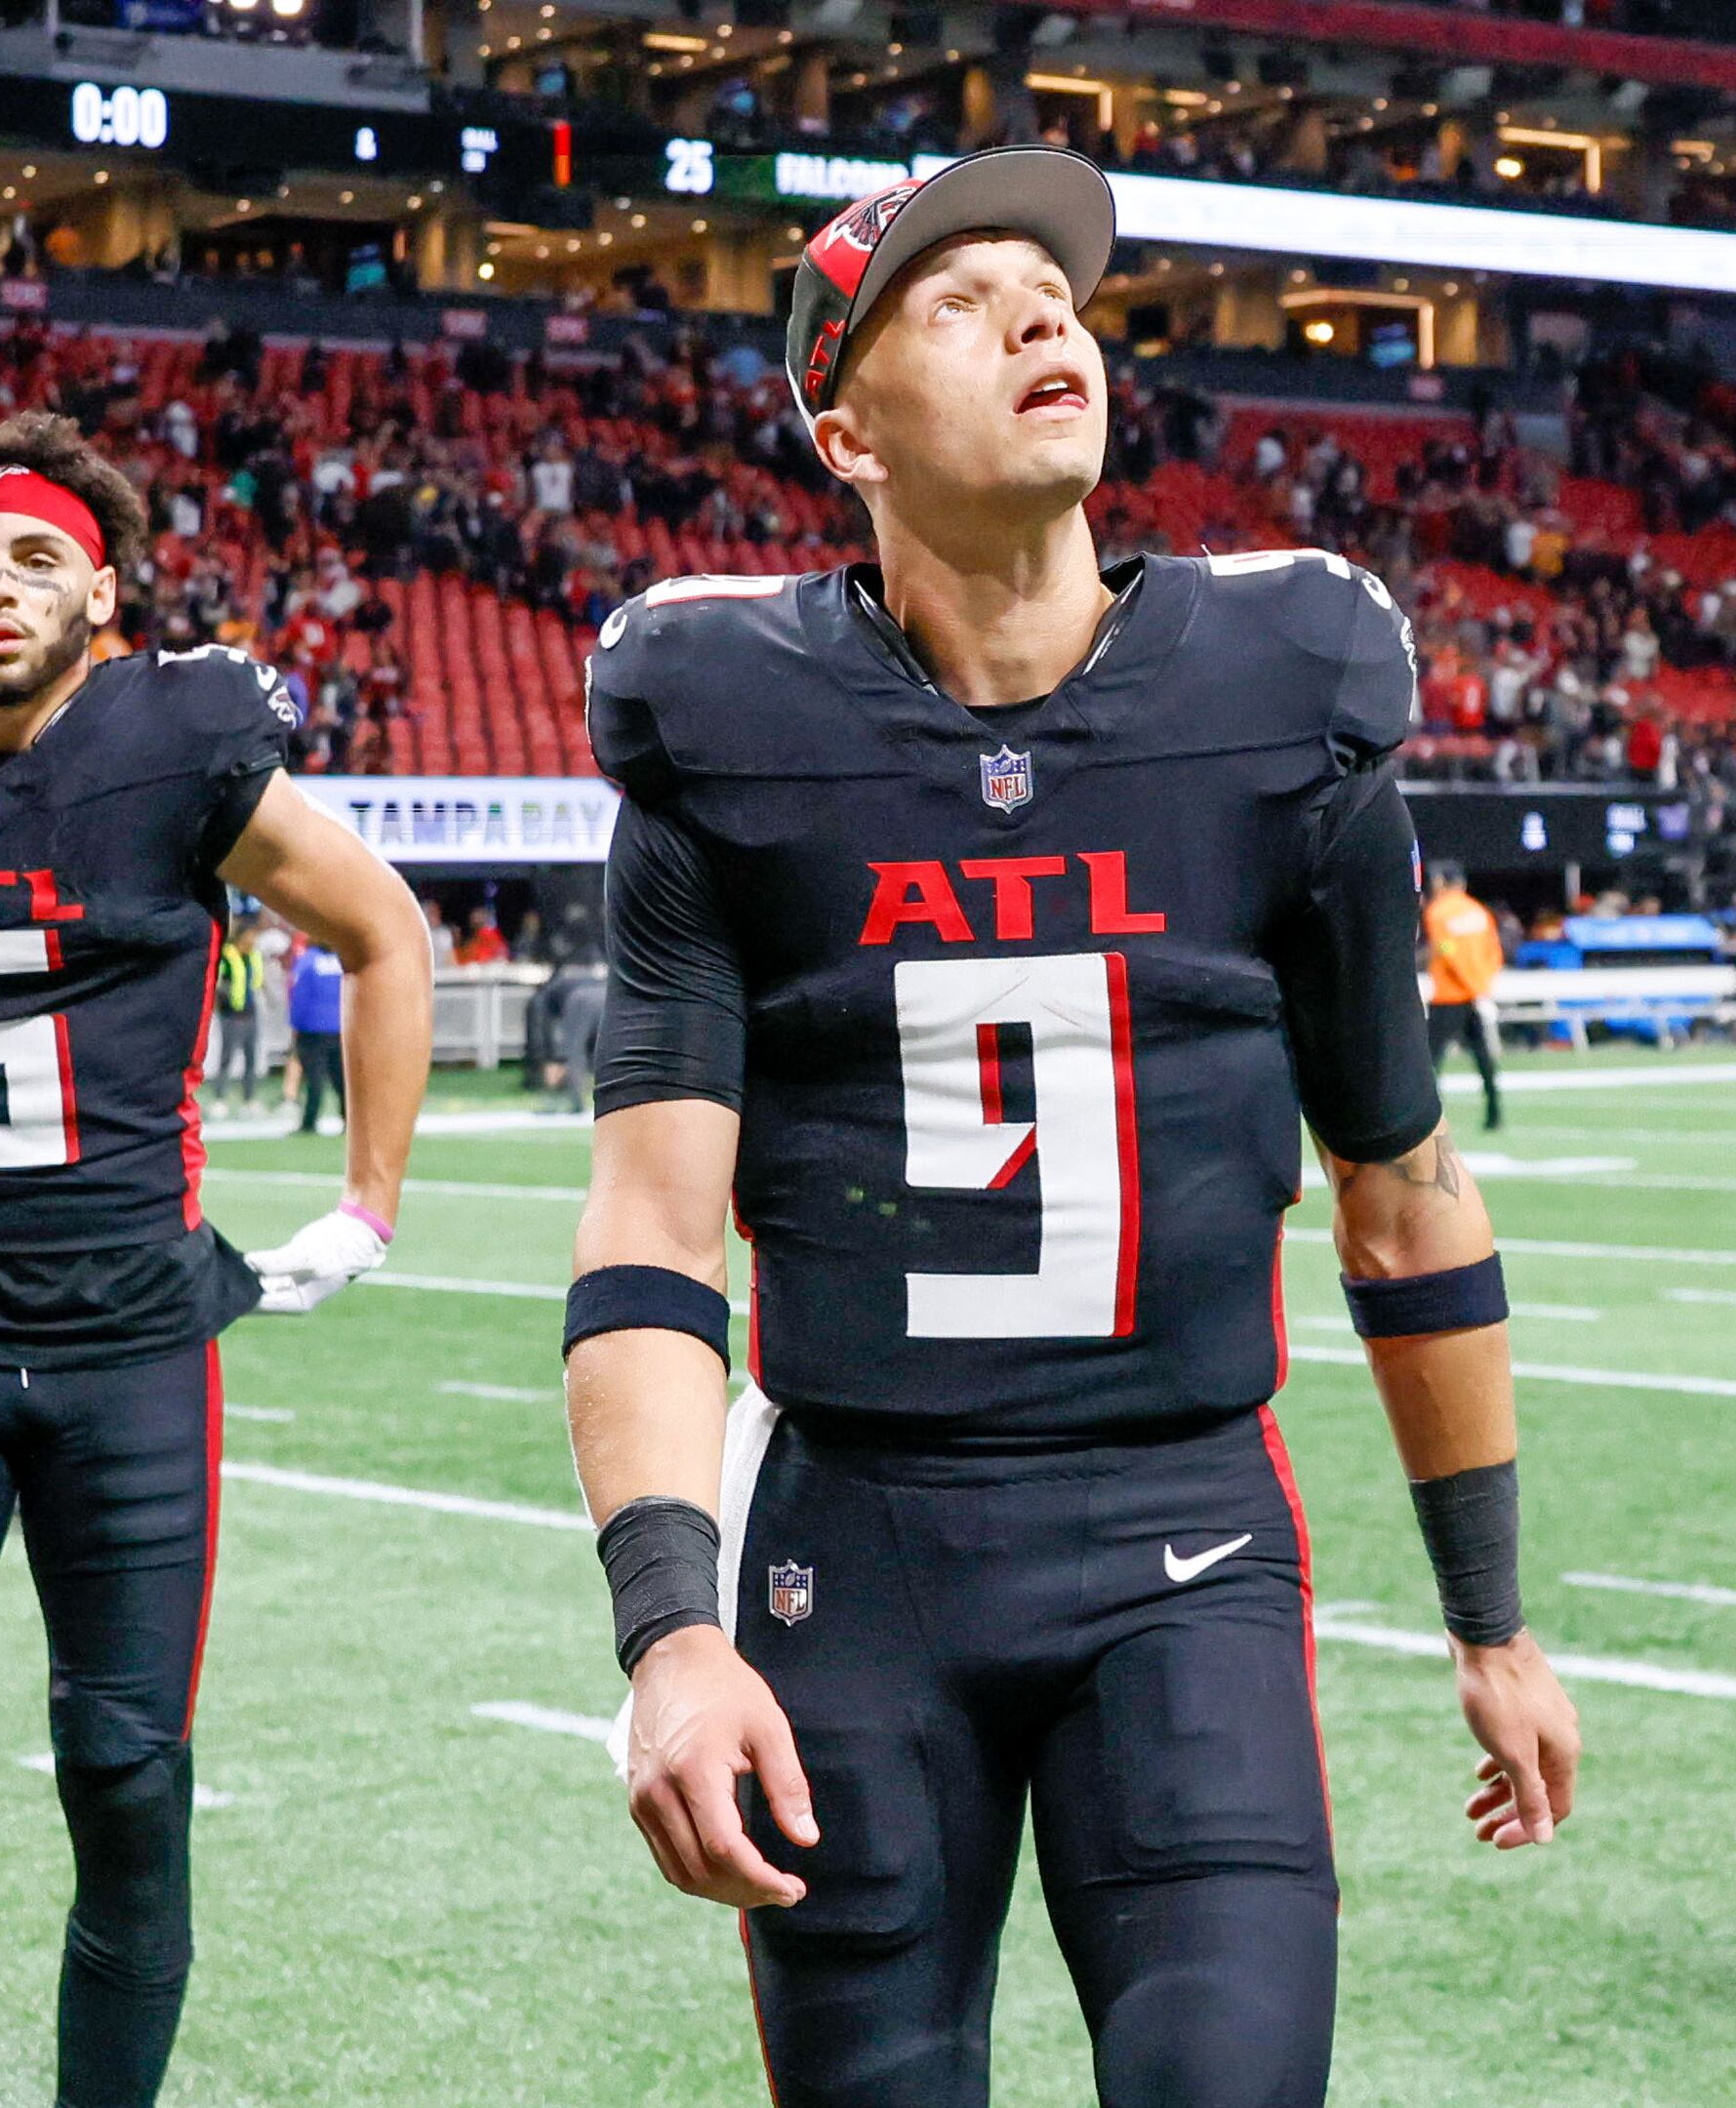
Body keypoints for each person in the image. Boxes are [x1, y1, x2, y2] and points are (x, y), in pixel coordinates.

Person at [562, 149, 1579, 2108]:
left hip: (1182, 1543)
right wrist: (668, 1641)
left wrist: (1495, 1622)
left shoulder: (1291, 692)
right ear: (840, 426)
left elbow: (1401, 1191)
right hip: (853, 1568)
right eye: (963, 299)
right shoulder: (727, 721)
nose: (1043, 316)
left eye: (1057, 289)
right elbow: (653, 1233)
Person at [0, 411, 433, 2108]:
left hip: (133, 1348)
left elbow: (386, 930)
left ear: (102, 593)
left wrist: (368, 1201)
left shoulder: (184, 739)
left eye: (36, 556)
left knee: (126, 1782)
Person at [1423, 858, 1506, 1131]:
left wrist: (1468, 982)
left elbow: (1447, 952)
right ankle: (1495, 1113)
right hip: (1475, 993)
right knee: (1483, 1057)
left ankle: (1429, 1116)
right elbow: (1494, 951)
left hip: (1449, 994)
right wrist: (1481, 985)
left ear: (1440, 882)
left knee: (1430, 1059)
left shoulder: (1439, 912)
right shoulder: (1479, 911)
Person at [283, 938, 343, 1134]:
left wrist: (295, 1025)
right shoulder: (341, 960)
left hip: (312, 1028)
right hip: (339, 1027)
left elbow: (298, 995)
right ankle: (350, 1119)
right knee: (342, 1079)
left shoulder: (307, 961)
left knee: (314, 1078)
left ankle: (310, 1121)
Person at [210, 919, 265, 1115]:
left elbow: (257, 983)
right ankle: (220, 1099)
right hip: (231, 1014)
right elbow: (218, 983)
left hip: (250, 1013)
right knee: (227, 1057)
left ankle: (249, 1099)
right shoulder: (227, 956)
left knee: (251, 1058)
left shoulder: (254, 956)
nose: (253, 939)